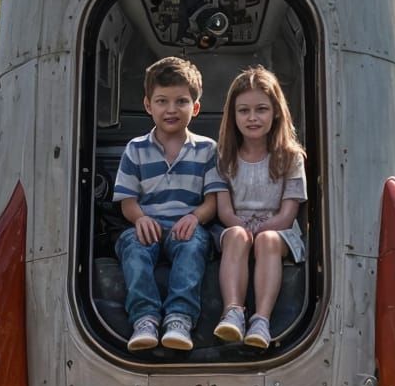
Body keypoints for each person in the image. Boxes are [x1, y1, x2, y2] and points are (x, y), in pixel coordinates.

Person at [112, 56, 219, 353]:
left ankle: (179, 318)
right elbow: (128, 201)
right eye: (162, 101)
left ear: (195, 108)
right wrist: (140, 219)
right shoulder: (135, 149)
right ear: (149, 105)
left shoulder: (208, 150)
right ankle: (144, 318)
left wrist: (196, 218)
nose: (171, 109)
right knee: (133, 245)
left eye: (181, 102)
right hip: (148, 226)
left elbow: (212, 201)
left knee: (195, 244)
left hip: (186, 227)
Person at [209, 65, 307, 350]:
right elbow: (224, 210)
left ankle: (261, 320)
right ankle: (233, 313)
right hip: (235, 227)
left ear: (276, 111)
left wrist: (263, 227)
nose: (252, 118)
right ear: (233, 115)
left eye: (261, 109)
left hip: (278, 230)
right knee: (238, 236)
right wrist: (241, 227)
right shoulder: (224, 157)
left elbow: (288, 213)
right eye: (243, 111)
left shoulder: (290, 157)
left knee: (267, 240)